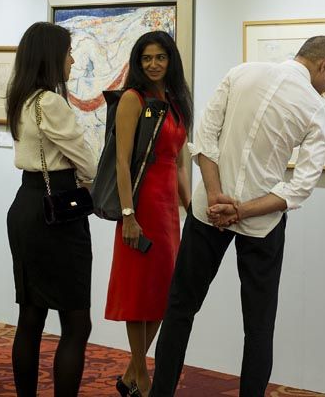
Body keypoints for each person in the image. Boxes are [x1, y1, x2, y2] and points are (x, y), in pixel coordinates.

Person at [150, 36, 325, 397]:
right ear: (323, 65)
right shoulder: (316, 109)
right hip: (262, 222)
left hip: (209, 210)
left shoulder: (241, 72)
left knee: (180, 308)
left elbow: (204, 137)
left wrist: (217, 194)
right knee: (258, 326)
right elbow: (301, 186)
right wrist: (242, 210)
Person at [5, 22, 99, 397]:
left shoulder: (21, 98)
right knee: (77, 322)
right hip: (56, 211)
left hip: (26, 205)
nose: (73, 60)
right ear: (51, 57)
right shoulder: (50, 102)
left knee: (30, 316)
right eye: (68, 52)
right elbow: (88, 164)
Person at [104, 31, 193, 397]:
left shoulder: (174, 101)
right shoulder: (132, 98)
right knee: (138, 295)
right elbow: (123, 162)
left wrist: (193, 208)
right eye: (146, 59)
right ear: (137, 64)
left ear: (171, 61)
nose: (153, 64)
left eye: (160, 57)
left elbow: (180, 164)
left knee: (164, 295)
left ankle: (128, 376)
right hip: (139, 207)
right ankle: (141, 378)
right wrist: (128, 215)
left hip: (167, 209)